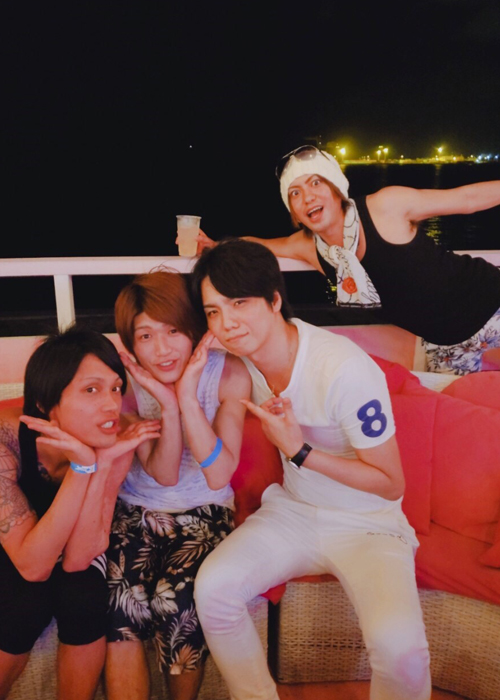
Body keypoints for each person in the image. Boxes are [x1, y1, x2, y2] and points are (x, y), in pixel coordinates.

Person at [190, 239, 431, 700]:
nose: (226, 323)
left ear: (274, 300)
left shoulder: (342, 368)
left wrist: (300, 451)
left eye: (239, 303)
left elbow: (390, 483)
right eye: (213, 311)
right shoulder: (239, 364)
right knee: (214, 589)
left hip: (369, 523)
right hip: (295, 512)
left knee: (401, 651)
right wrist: (183, 389)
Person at [195, 145, 500, 374]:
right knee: (457, 418)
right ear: (294, 212)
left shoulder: (385, 207)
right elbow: (260, 244)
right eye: (295, 193)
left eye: (316, 183)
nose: (308, 197)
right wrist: (215, 245)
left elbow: (467, 200)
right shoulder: (308, 247)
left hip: (490, 302)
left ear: (337, 189)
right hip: (444, 343)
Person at [105, 269, 251, 700]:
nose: (162, 349)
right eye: (145, 336)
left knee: (176, 602)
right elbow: (164, 473)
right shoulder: (123, 383)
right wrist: (167, 407)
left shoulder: (229, 373)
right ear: (131, 343)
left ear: (193, 329)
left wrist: (186, 397)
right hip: (135, 510)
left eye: (173, 331)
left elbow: (218, 474)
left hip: (206, 512)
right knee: (121, 602)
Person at [0, 327, 160, 700]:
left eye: (116, 388)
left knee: (85, 597)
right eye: (91, 390)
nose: (111, 405)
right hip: (14, 540)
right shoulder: (6, 439)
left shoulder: (119, 435)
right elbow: (32, 566)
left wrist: (96, 465)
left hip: (72, 535)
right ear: (45, 403)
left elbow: (78, 559)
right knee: (25, 603)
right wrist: (82, 467)